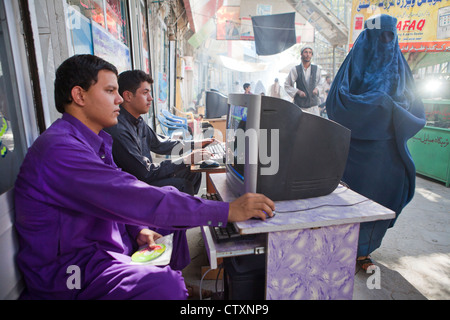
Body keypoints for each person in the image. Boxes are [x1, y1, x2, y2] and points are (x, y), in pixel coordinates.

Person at [14, 54, 275, 300]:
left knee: (171, 201)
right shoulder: (60, 150)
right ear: (79, 95)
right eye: (109, 91)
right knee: (165, 285)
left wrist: (137, 229)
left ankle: (175, 278)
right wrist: (226, 211)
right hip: (70, 272)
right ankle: (170, 283)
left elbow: (112, 196)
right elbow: (127, 195)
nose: (119, 99)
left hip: (100, 248)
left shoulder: (92, 141)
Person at [326, 15, 426, 271]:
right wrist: (378, 105)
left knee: (385, 199)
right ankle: (345, 246)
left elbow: (414, 106)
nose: (385, 41)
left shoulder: (401, 66)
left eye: (390, 36)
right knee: (348, 200)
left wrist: (392, 109)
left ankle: (364, 250)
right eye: (380, 35)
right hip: (355, 151)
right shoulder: (354, 64)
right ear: (368, 36)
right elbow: (337, 103)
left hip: (386, 152)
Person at [104, 70, 212, 196]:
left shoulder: (138, 121)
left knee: (194, 171)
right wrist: (185, 159)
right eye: (145, 93)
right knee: (183, 184)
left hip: (147, 176)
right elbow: (145, 172)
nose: (151, 98)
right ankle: (186, 210)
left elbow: (160, 144)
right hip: (137, 187)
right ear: (128, 96)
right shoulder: (119, 129)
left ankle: (187, 208)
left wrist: (195, 144)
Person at [284, 46, 321, 115]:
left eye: (310, 52)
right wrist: (298, 92)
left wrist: (317, 89)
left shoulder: (316, 69)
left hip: (313, 107)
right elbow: (287, 85)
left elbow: (320, 83)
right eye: (306, 52)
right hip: (300, 107)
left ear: (312, 55)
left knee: (314, 125)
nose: (308, 54)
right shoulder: (295, 70)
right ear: (301, 54)